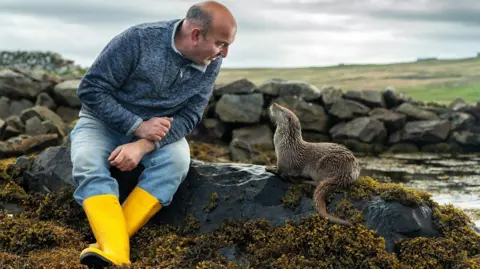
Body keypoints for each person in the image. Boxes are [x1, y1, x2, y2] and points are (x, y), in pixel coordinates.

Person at [69, 1, 236, 267]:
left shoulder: (210, 61)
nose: (224, 54)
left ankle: (111, 248)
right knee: (87, 162)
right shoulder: (137, 40)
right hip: (100, 123)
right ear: (195, 35)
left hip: (157, 134)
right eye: (221, 44)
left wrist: (144, 144)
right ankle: (118, 253)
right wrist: (137, 125)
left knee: (177, 162)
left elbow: (191, 116)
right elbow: (90, 90)